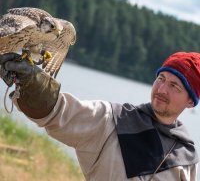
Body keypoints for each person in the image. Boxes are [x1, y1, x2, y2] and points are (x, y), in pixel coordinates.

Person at [0, 51, 199, 181]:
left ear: (190, 101)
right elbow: (60, 112)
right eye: (161, 79)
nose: (162, 89)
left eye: (174, 86)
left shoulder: (186, 156)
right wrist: (29, 83)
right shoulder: (113, 120)